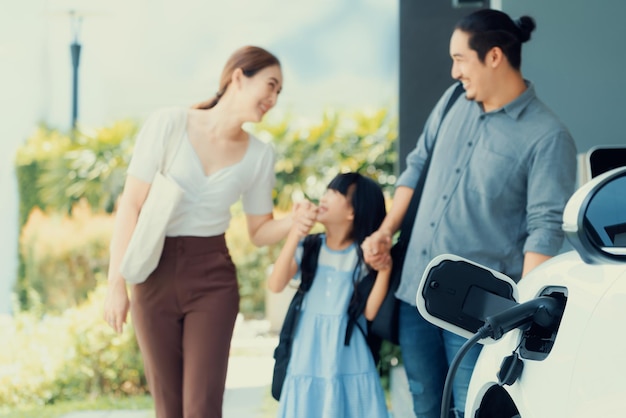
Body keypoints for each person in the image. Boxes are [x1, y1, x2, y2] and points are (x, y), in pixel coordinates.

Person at [363, 9, 577, 418]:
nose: (453, 71)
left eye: (460, 59)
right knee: (425, 403)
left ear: (493, 57)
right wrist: (385, 232)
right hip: (416, 292)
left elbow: (544, 230)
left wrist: (523, 316)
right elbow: (417, 164)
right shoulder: (452, 103)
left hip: (476, 312)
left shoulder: (548, 136)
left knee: (468, 409)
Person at [103, 45, 317, 418]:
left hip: (212, 278)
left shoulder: (259, 155)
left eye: (279, 92)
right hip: (152, 274)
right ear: (238, 77)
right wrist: (115, 285)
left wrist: (293, 222)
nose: (273, 98)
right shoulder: (169, 123)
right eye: (269, 85)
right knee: (168, 406)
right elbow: (131, 206)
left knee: (202, 406)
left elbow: (259, 230)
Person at [268, 172, 391, 418]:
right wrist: (296, 232)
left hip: (348, 350)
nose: (323, 198)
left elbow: (369, 312)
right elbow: (276, 283)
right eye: (326, 191)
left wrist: (385, 269)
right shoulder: (310, 245)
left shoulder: (364, 254)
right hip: (307, 346)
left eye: (334, 193)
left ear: (352, 212)